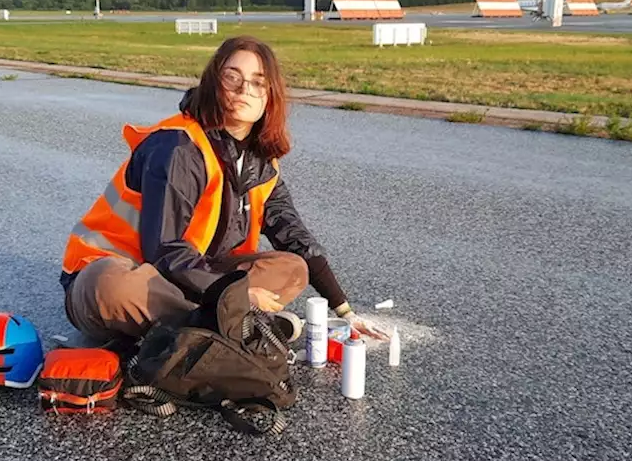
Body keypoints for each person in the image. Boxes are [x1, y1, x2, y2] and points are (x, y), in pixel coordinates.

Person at [59, 35, 387, 347]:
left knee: (291, 269)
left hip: (193, 279)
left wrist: (345, 311)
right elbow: (164, 250)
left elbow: (294, 236)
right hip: (127, 273)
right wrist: (238, 297)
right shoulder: (178, 146)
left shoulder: (262, 163)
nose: (245, 89)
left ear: (270, 96)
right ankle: (232, 324)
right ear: (214, 83)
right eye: (233, 77)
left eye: (258, 82)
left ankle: (206, 325)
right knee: (112, 286)